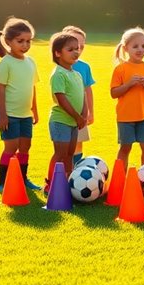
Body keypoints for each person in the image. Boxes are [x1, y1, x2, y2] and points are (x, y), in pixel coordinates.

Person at [0, 17, 40, 194]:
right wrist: (3, 115)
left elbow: (32, 87)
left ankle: (23, 178)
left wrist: (34, 110)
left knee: (25, 147)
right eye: (20, 41)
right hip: (10, 114)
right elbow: (0, 90)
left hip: (25, 114)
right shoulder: (5, 63)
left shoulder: (31, 62)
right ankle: (3, 181)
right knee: (11, 148)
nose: (25, 45)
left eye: (28, 41)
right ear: (8, 41)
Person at [110, 27, 144, 166]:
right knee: (126, 147)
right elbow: (114, 93)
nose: (140, 49)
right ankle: (120, 178)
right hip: (125, 116)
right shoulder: (120, 69)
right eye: (135, 46)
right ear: (126, 48)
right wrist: (128, 84)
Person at [48, 32, 87, 184]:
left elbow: (82, 95)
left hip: (74, 123)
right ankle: (50, 183)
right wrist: (77, 117)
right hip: (61, 121)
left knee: (70, 153)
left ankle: (68, 181)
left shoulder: (76, 74)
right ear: (58, 53)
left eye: (77, 48)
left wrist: (84, 113)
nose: (76, 52)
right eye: (70, 49)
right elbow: (61, 99)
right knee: (60, 153)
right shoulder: (58, 74)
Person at [62, 25, 96, 166]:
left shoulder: (84, 67)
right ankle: (59, 176)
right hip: (64, 114)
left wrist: (90, 112)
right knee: (64, 146)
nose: (78, 50)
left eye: (81, 47)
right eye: (74, 46)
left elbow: (88, 90)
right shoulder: (61, 67)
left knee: (78, 144)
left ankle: (76, 172)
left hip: (81, 113)